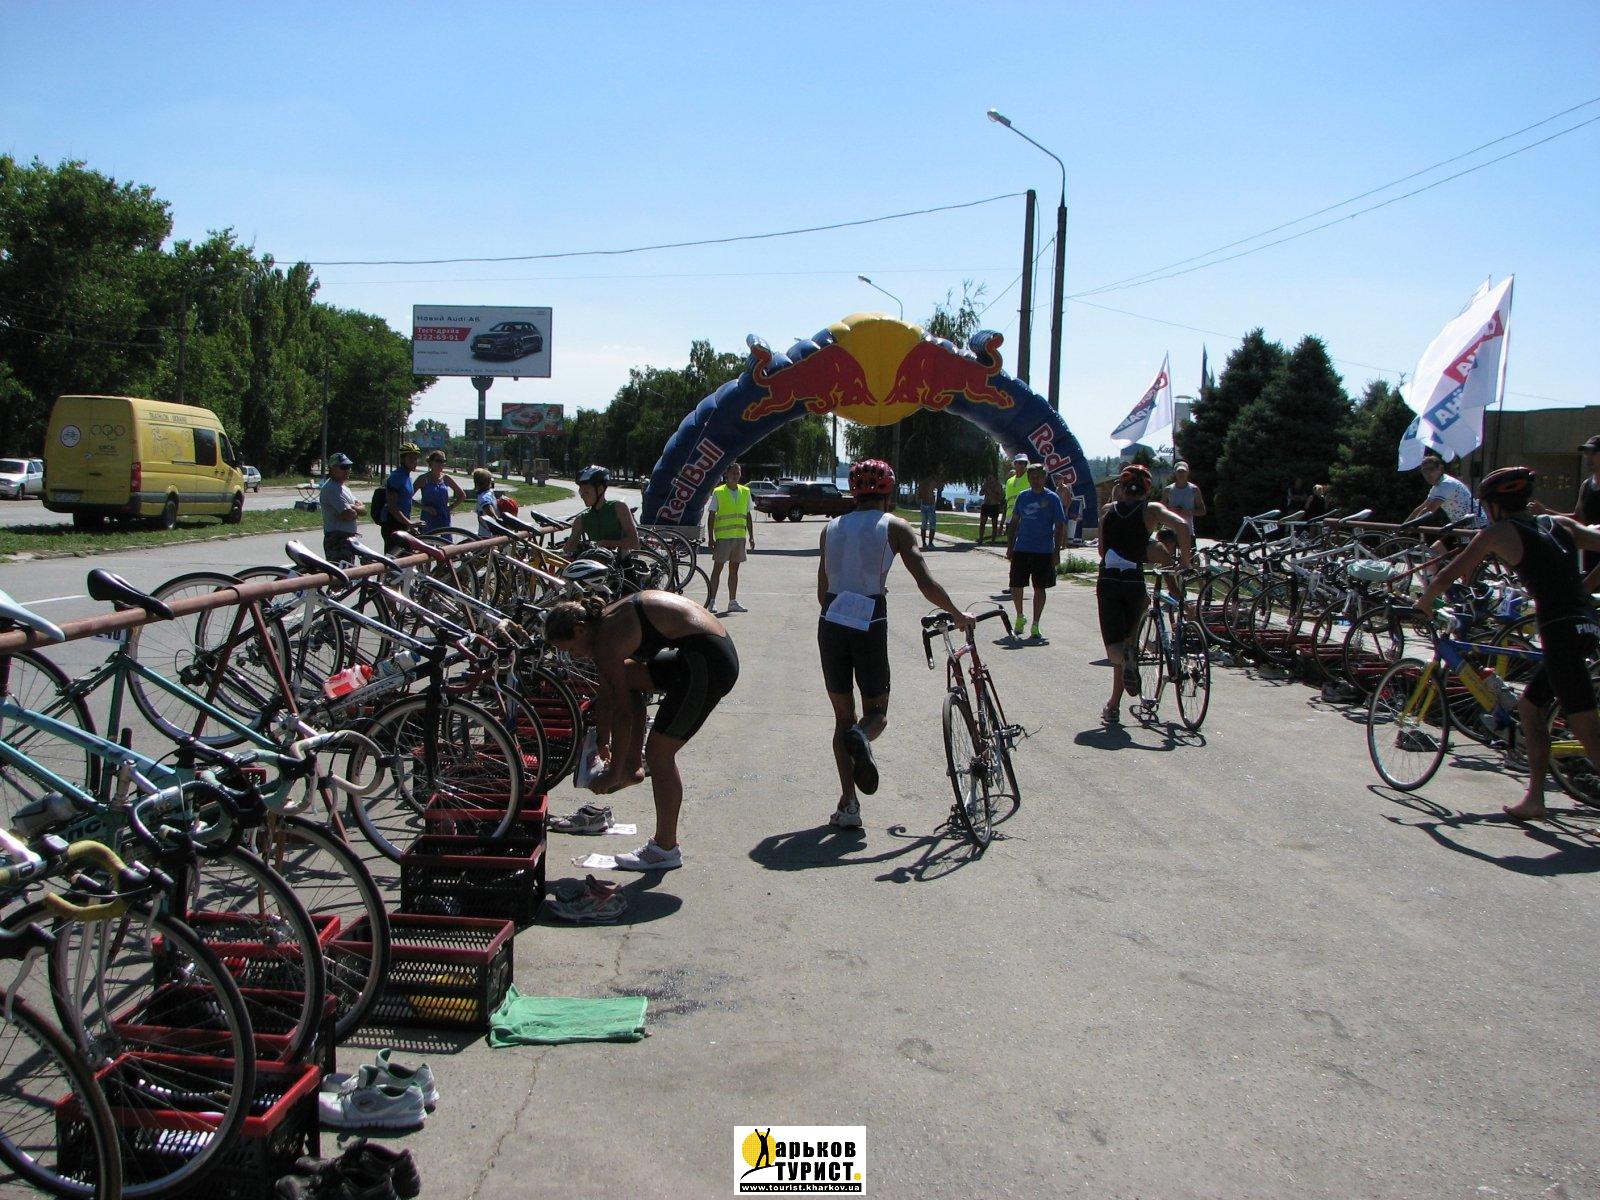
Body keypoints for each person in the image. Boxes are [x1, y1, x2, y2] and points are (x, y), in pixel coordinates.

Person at [1417, 466, 1600, 820]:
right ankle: (1535, 799)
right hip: (1585, 624)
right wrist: (1585, 587)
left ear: (1495, 505)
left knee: (1585, 728)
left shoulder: (1499, 532)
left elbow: (1451, 572)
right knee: (1530, 709)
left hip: (1560, 631)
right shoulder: (1556, 524)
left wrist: (1424, 602)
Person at [817, 459, 973, 830]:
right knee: (877, 714)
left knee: (842, 717)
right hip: (869, 618)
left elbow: (823, 589)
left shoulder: (830, 528)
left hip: (832, 621)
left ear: (854, 491)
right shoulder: (896, 526)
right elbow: (925, 582)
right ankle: (862, 736)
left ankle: (849, 804)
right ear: (889, 491)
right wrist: (957, 614)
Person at [544, 590, 739, 870]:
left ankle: (665, 848)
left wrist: (613, 773)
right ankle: (633, 766)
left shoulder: (607, 641)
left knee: (660, 755)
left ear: (579, 630)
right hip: (699, 652)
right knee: (631, 677)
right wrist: (602, 740)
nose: (574, 656)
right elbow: (608, 692)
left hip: (710, 664)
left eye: (570, 649)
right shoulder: (601, 626)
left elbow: (624, 713)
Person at [1095, 464, 1193, 724]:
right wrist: (1185, 562)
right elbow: (1182, 525)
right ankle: (1115, 700)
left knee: (1115, 650)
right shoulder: (1151, 510)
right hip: (1134, 581)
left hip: (1109, 580)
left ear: (1122, 487)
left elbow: (1102, 551)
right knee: (1129, 641)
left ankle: (1117, 691)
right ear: (1147, 489)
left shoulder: (1107, 511)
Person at [1005, 463, 1068, 640]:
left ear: (1044, 477)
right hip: (1022, 548)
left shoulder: (1052, 498)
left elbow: (1060, 525)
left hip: (1043, 550)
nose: (1035, 480)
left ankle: (1036, 624)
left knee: (1039, 587)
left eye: (1039, 476)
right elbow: (1014, 522)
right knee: (1016, 585)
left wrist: (1057, 551)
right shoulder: (1023, 496)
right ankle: (1020, 617)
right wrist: (1010, 546)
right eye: (1032, 477)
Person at [1530, 434, 1600, 575]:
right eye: (1586, 453)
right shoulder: (1586, 485)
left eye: (1593, 452)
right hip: (1589, 557)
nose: (1588, 457)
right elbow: (1578, 519)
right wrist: (1545, 512)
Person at [705, 463, 755, 614]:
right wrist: (711, 538)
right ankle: (712, 601)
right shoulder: (719, 492)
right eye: (732, 472)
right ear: (726, 474)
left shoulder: (745, 491)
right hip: (723, 538)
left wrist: (751, 537)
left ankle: (732, 601)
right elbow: (711, 515)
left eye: (737, 473)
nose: (735, 475)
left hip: (739, 537)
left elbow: (748, 515)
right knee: (717, 569)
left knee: (734, 570)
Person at [565, 465, 641, 555]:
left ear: (600, 489)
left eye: (586, 492)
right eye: (580, 491)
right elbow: (567, 550)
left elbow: (635, 543)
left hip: (619, 561)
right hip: (594, 561)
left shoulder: (618, 508)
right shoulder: (582, 518)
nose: (582, 496)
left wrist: (607, 543)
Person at [1405, 451, 1483, 528]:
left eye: (1431, 469)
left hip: (1478, 525)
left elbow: (1429, 510)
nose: (1428, 474)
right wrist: (1403, 526)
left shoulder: (1446, 484)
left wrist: (1408, 527)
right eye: (1424, 471)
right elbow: (1421, 508)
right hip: (1465, 526)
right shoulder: (1437, 487)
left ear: (1440, 468)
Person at [319, 452, 363, 565]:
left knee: (349, 571)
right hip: (337, 540)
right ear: (333, 468)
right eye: (343, 467)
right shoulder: (331, 488)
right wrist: (355, 510)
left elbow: (363, 511)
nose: (347, 470)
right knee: (341, 574)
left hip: (348, 538)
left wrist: (354, 509)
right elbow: (348, 514)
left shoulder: (344, 488)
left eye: (349, 467)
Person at [380, 442, 421, 553]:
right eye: (410, 458)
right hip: (392, 524)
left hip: (402, 523)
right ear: (402, 459)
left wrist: (425, 508)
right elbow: (393, 508)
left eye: (415, 458)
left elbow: (406, 499)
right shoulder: (397, 477)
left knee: (407, 557)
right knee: (395, 559)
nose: (414, 461)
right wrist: (409, 523)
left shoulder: (406, 476)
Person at [413, 451, 465, 534]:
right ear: (431, 462)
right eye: (438, 461)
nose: (441, 464)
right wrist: (425, 508)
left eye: (443, 461)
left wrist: (451, 507)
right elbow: (407, 498)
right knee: (428, 541)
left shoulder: (446, 478)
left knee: (446, 541)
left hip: (444, 518)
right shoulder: (423, 479)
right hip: (428, 519)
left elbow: (462, 495)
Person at [1161, 461, 1207, 532]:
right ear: (1175, 473)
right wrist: (1171, 510)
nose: (1181, 474)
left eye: (1183, 471)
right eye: (1179, 471)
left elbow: (1202, 511)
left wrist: (1189, 512)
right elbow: (1161, 510)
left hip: (1188, 530)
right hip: (1170, 531)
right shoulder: (1168, 490)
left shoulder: (1194, 489)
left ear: (1188, 472)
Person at [976, 473, 1004, 544]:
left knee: (994, 524)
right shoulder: (986, 484)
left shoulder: (998, 486)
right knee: (982, 523)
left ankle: (993, 541)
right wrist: (985, 489)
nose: (990, 480)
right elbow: (980, 493)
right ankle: (981, 539)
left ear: (994, 478)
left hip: (994, 505)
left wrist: (991, 493)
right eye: (988, 478)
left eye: (991, 478)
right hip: (986, 505)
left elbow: (1000, 497)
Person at [917, 474, 943, 548]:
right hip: (930, 505)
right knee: (932, 525)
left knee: (924, 525)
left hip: (923, 504)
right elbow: (939, 486)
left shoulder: (922, 482)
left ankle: (924, 543)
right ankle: (930, 543)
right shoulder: (932, 481)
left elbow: (919, 495)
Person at [1002, 453, 1030, 523]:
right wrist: (1002, 522)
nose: (1023, 465)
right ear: (1014, 464)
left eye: (1025, 463)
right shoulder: (1009, 481)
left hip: (1024, 517)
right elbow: (1007, 502)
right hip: (1009, 518)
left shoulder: (1030, 478)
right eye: (1020, 463)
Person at [472, 468, 499, 537]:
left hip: (486, 532)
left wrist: (496, 519)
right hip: (488, 530)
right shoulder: (488, 493)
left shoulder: (483, 496)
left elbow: (487, 507)